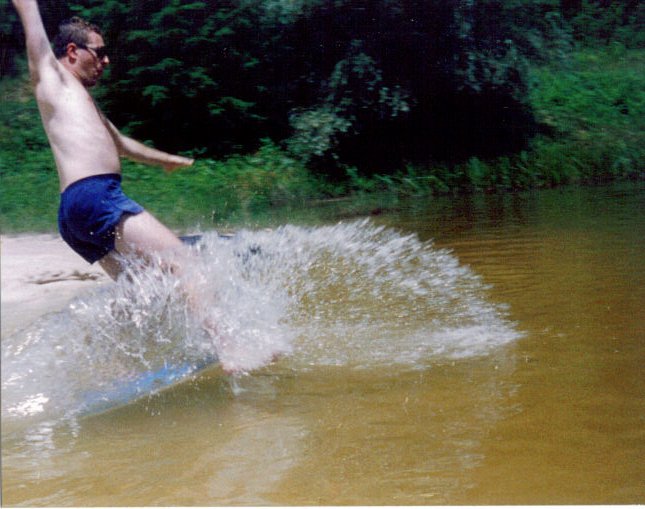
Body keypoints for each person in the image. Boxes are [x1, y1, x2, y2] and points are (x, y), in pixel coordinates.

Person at [12, 0, 195, 280]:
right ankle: (216, 313)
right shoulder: (54, 79)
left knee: (144, 287)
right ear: (72, 51)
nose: (106, 61)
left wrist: (166, 160)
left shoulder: (81, 100)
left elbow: (121, 143)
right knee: (184, 262)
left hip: (76, 212)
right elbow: (33, 26)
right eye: (100, 52)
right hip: (95, 196)